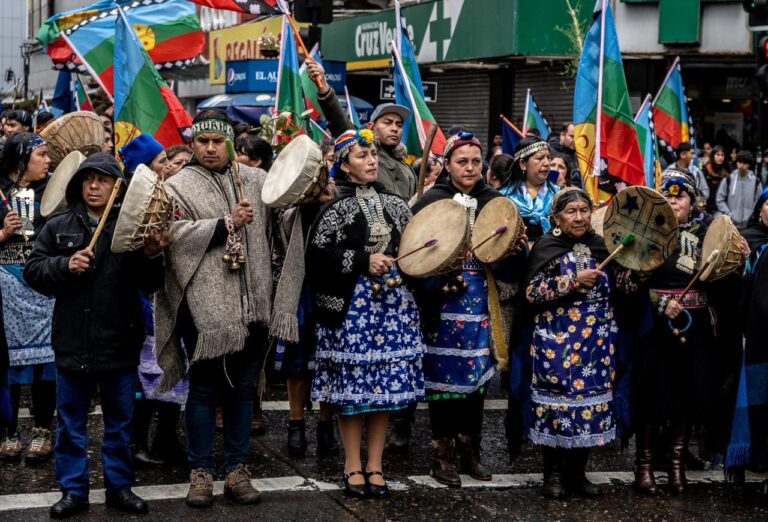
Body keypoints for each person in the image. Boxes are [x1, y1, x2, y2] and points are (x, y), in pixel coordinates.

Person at [25, 152, 166, 517]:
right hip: (72, 341)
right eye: (88, 179)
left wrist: (152, 255)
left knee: (121, 422)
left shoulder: (130, 227)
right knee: (71, 423)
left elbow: (151, 283)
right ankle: (73, 490)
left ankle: (120, 487)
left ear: (116, 187)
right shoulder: (58, 226)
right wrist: (64, 264)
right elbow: (34, 271)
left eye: (102, 180)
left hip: (119, 340)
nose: (93, 186)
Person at [153, 109, 271, 508]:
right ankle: (200, 471)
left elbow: (282, 221)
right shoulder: (176, 186)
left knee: (241, 391)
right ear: (192, 143)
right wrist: (224, 224)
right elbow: (172, 234)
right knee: (203, 391)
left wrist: (306, 198)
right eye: (202, 142)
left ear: (230, 144)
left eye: (217, 142)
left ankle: (237, 470)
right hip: (202, 309)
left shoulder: (257, 180)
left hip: (253, 303)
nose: (209, 148)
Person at [306, 128, 425, 498]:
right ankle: (351, 465)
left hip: (392, 306)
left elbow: (414, 247)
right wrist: (362, 260)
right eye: (361, 156)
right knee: (352, 391)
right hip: (350, 309)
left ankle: (375, 465)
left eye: (373, 154)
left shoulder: (395, 203)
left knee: (384, 390)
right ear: (343, 165)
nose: (372, 161)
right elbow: (316, 257)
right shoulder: (329, 205)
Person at [410, 131, 523, 487]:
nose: (471, 167)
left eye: (476, 161)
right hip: (442, 305)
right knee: (444, 382)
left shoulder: (496, 202)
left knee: (476, 382)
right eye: (463, 161)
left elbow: (507, 260)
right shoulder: (430, 200)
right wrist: (438, 281)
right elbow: (413, 255)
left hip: (481, 304)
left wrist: (513, 251)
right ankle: (441, 455)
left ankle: (469, 451)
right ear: (446, 165)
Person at [632, 171, 748, 496]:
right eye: (666, 196)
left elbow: (723, 283)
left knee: (686, 395)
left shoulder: (707, 231)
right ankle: (643, 465)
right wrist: (659, 304)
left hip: (694, 331)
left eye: (679, 196)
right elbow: (629, 283)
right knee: (652, 394)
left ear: (692, 200)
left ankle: (676, 465)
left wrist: (737, 260)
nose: (673, 201)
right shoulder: (646, 233)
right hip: (654, 331)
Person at [0, 132, 56, 463]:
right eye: (42, 155)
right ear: (21, 159)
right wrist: (4, 233)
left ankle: (43, 431)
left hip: (43, 285)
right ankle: (8, 432)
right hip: (5, 287)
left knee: (45, 363)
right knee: (7, 363)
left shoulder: (53, 192)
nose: (48, 161)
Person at [308, 61, 417, 200]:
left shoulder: (407, 167)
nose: (395, 128)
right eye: (388, 122)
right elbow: (339, 121)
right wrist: (323, 85)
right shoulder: (359, 146)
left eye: (399, 124)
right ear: (371, 127)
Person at [725, 187, 768, 475]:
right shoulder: (747, 240)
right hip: (756, 333)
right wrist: (742, 263)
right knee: (758, 395)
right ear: (760, 208)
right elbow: (730, 289)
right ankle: (757, 452)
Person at [499, 136, 560, 244]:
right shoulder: (505, 198)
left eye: (548, 157)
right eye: (540, 158)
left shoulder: (559, 196)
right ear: (523, 164)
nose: (547, 163)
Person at [716, 150, 762, 229]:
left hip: (749, 225)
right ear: (736, 162)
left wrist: (752, 215)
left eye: (745, 163)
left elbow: (759, 201)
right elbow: (719, 199)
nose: (742, 165)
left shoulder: (756, 182)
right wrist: (729, 214)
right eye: (739, 162)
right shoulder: (729, 179)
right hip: (730, 225)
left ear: (749, 164)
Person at [548, 122, 582, 188]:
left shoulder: (578, 156)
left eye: (577, 137)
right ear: (562, 135)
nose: (575, 140)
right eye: (572, 136)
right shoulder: (549, 153)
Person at [704, 145, 730, 212]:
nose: (720, 157)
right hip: (709, 206)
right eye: (718, 155)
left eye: (722, 155)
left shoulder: (727, 170)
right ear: (713, 156)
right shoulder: (706, 170)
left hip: (723, 205)